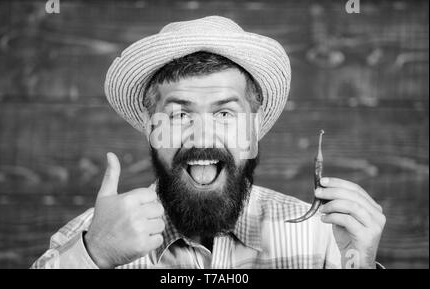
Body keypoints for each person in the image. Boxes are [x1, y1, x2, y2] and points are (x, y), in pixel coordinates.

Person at [31, 16, 385, 269]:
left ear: (253, 127)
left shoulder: (323, 239)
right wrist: (95, 256)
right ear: (150, 127)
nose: (202, 136)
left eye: (225, 114)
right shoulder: (89, 240)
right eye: (179, 115)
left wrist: (362, 265)